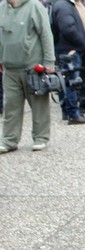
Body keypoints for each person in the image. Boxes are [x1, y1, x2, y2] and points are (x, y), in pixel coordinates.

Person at [0, 0, 55, 154]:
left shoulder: (34, 6)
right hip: (9, 68)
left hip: (33, 67)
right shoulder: (2, 8)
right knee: (10, 105)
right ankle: (9, 139)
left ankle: (40, 137)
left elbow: (46, 33)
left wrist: (49, 61)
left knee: (38, 104)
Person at [50, 0, 85, 124]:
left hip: (73, 48)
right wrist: (82, 43)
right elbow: (68, 29)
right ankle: (73, 114)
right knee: (71, 82)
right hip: (69, 49)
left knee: (69, 81)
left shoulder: (70, 4)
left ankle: (69, 112)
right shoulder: (63, 5)